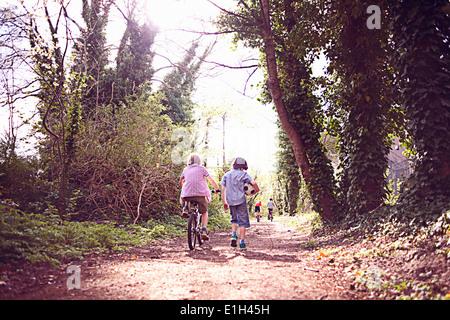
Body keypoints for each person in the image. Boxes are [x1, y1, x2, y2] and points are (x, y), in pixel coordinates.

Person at [221, 157, 259, 250]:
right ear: (244, 165)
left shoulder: (227, 175)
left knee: (234, 219)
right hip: (241, 200)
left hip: (230, 200)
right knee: (242, 221)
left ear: (234, 164)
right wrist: (256, 190)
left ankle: (234, 235)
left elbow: (223, 189)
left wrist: (224, 202)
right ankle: (242, 242)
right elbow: (253, 182)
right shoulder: (244, 174)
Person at [180, 153, 220, 240]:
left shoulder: (186, 169)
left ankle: (186, 207)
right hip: (200, 195)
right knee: (204, 211)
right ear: (199, 161)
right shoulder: (202, 169)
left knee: (188, 192)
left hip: (187, 194)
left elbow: (181, 180)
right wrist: (216, 188)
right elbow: (211, 180)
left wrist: (183, 189)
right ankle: (204, 229)